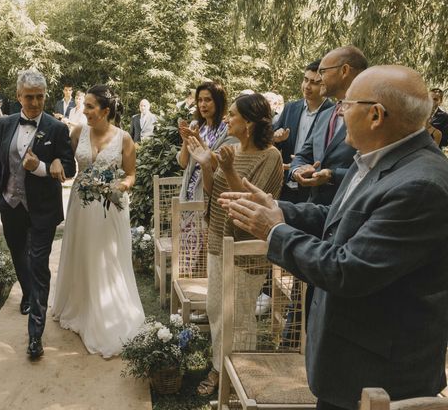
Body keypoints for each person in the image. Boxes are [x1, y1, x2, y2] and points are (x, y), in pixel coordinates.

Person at [222, 65, 448, 410]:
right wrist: (281, 211)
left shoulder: (421, 184)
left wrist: (274, 231)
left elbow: (349, 269)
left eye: (346, 103)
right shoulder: (374, 159)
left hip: (378, 375)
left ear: (375, 115)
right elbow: (339, 219)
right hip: (348, 362)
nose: (338, 111)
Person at [185, 93, 283, 396]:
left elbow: (251, 204)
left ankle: (240, 374)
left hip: (245, 248)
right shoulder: (228, 148)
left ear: (250, 123)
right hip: (218, 238)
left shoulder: (271, 157)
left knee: (239, 314)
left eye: (234, 116)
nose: (227, 119)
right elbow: (215, 193)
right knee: (216, 307)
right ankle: (220, 365)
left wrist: (226, 169)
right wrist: (204, 165)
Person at [52, 85, 145, 357]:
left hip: (110, 207)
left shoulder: (124, 138)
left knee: (107, 257)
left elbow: (131, 174)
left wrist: (121, 186)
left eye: (91, 106)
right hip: (81, 204)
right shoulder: (78, 132)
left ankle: (107, 310)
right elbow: (68, 163)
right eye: (86, 105)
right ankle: (80, 305)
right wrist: (57, 160)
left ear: (106, 111)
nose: (85, 110)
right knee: (82, 253)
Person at [0, 69, 76, 360]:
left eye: (40, 97)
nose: (35, 103)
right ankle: (27, 293)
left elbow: (70, 168)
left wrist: (44, 165)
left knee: (39, 265)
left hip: (42, 209)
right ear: (18, 96)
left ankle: (35, 335)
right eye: (29, 97)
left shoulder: (57, 128)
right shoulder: (4, 124)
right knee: (18, 255)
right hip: (11, 205)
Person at [289, 46, 368, 205]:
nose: (319, 77)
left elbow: (375, 171)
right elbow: (304, 154)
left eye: (322, 71)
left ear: (344, 70)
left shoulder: (369, 114)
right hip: (314, 208)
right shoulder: (325, 115)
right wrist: (298, 170)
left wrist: (333, 175)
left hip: (349, 207)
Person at [273, 60, 333, 203]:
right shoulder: (290, 108)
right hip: (286, 183)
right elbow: (271, 142)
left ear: (325, 84)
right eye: (305, 80)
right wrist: (276, 138)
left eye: (314, 82)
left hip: (315, 187)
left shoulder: (333, 114)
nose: (307, 86)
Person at [178, 81, 233, 203]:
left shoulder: (227, 129)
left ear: (218, 102)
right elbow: (183, 163)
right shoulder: (195, 125)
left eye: (208, 100)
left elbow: (221, 163)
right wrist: (186, 140)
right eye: (200, 100)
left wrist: (199, 141)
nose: (202, 104)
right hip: (189, 194)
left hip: (212, 195)